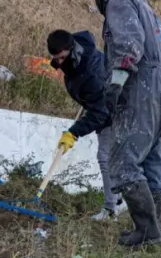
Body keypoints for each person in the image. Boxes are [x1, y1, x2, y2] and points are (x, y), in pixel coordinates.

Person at [95, 0, 161, 248]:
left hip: (141, 87)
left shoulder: (118, 1)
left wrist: (117, 80)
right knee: (153, 157)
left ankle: (146, 230)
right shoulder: (152, 14)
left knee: (123, 161)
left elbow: (129, 40)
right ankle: (156, 227)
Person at [47, 29, 122, 222]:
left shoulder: (92, 72)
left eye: (63, 58)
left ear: (72, 50)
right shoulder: (74, 59)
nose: (60, 63)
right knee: (114, 158)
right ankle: (119, 198)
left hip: (118, 109)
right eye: (56, 59)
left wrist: (73, 133)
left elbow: (100, 112)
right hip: (102, 107)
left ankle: (111, 208)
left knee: (105, 157)